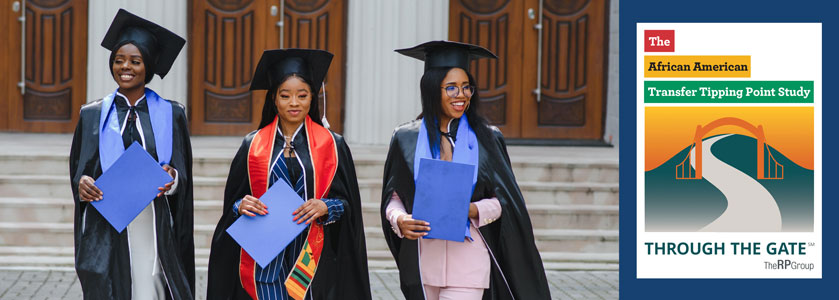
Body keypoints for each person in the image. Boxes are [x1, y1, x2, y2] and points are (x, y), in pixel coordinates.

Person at [380, 41, 551, 300]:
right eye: (451, 88)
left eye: (466, 87)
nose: (461, 95)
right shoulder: (406, 138)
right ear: (431, 89)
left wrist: (473, 210)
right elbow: (394, 197)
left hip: (469, 261)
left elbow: (504, 201)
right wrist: (400, 220)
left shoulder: (487, 139)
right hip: (422, 259)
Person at [207, 49, 371, 300]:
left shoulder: (332, 145)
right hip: (264, 262)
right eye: (285, 95)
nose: (294, 103)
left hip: (311, 260)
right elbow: (233, 203)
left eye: (302, 95)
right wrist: (241, 205)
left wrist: (326, 206)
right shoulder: (253, 146)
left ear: (312, 98)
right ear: (274, 98)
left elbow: (348, 206)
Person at [68, 9, 194, 299]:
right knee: (113, 285)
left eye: (135, 61)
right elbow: (81, 168)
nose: (125, 67)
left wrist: (172, 178)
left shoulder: (171, 113)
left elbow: (180, 171)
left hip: (153, 220)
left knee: (149, 286)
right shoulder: (93, 114)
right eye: (118, 60)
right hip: (108, 220)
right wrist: (83, 183)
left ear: (147, 66)